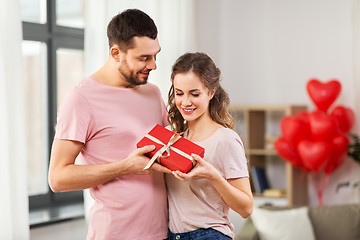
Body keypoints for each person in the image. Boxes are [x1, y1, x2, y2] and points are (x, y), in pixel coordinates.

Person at [48, 9, 171, 240]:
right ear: (116, 53)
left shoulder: (153, 93)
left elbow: (167, 152)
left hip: (162, 233)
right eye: (144, 58)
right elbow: (57, 178)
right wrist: (125, 166)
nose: (153, 65)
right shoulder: (81, 99)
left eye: (155, 55)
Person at [166, 52, 253, 240]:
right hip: (174, 235)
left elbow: (246, 208)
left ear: (211, 92)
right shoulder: (173, 139)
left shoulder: (225, 139)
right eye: (179, 93)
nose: (185, 102)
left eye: (194, 94)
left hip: (210, 235)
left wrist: (213, 176)